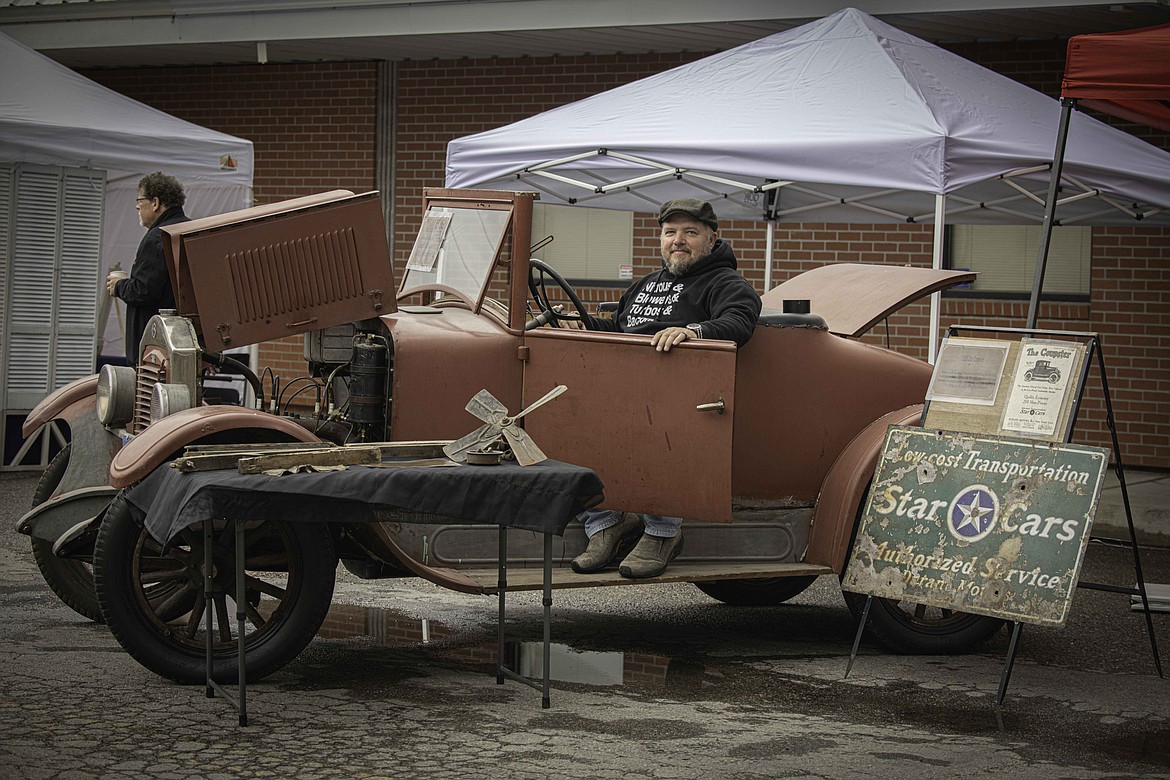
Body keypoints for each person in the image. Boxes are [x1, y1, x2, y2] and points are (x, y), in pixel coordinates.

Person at [572, 197, 762, 579]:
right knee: (570, 422)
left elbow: (740, 320)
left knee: (656, 429)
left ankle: (662, 532)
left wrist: (693, 331)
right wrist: (577, 325)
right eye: (670, 232)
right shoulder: (647, 284)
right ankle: (606, 523)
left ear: (711, 239)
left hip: (679, 403)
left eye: (690, 232)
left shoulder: (725, 282)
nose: (679, 240)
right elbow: (620, 329)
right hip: (623, 392)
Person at [106, 172, 189, 364]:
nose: (136, 205)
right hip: (182, 342)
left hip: (153, 349)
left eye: (140, 199)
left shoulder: (157, 237)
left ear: (155, 203)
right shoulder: (189, 230)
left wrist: (119, 286)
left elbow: (143, 291)